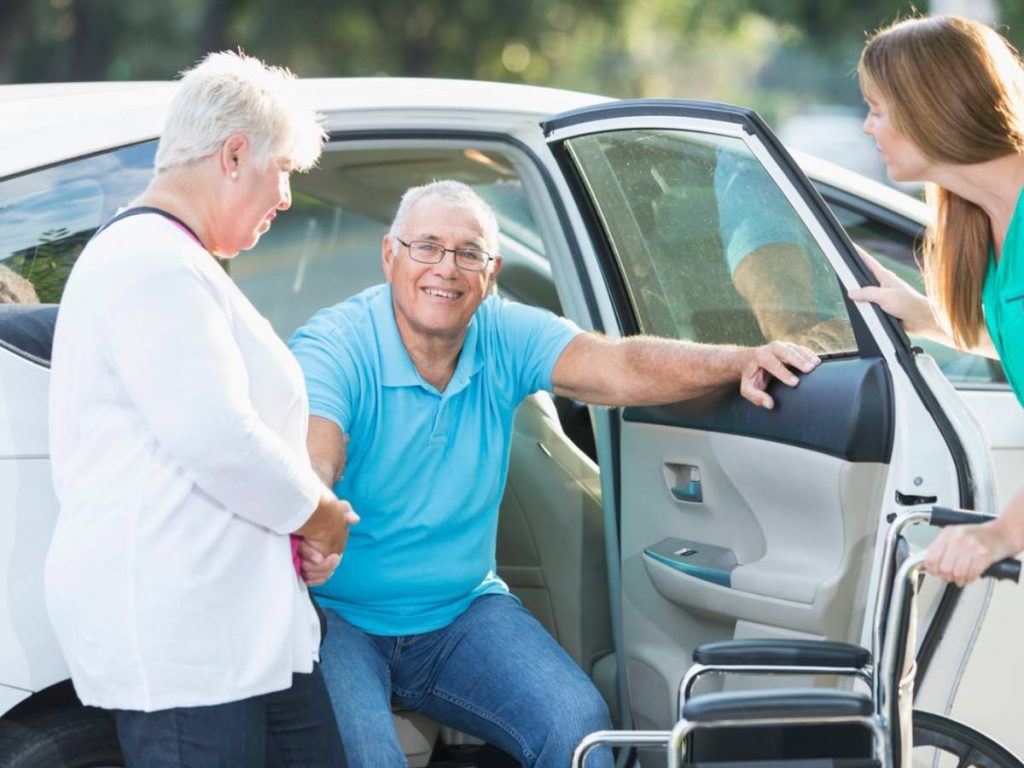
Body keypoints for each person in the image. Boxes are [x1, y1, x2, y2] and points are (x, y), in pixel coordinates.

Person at [288, 179, 820, 767]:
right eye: (428, 247)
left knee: (577, 724)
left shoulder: (504, 333)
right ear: (390, 255)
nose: (447, 268)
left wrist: (741, 360)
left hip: (461, 612)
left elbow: (619, 365)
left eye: (469, 253)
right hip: (339, 620)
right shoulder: (336, 344)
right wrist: (319, 502)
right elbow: (317, 451)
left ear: (491, 273)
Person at [45, 51, 354, 767]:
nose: (285, 199)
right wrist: (320, 514)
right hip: (188, 646)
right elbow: (218, 438)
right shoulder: (149, 263)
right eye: (282, 174)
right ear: (235, 154)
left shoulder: (175, 260)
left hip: (245, 636)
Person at [849, 14, 1024, 586]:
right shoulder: (991, 225)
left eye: (877, 109)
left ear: (930, 105)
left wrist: (1001, 532)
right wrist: (925, 316)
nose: (866, 127)